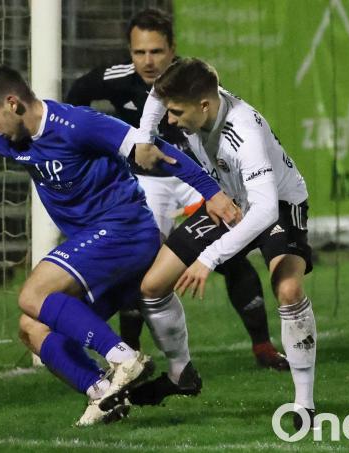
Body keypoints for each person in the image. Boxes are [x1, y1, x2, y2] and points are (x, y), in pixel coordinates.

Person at [0, 64, 240, 426]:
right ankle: (103, 395)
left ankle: (124, 358)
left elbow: (155, 150)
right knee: (31, 327)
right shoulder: (11, 139)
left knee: (33, 293)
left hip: (125, 230)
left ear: (13, 103)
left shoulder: (76, 124)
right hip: (99, 248)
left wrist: (212, 193)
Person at [65, 8, 288, 404]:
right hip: (150, 186)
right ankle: (132, 357)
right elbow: (74, 102)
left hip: (197, 180)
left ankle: (262, 346)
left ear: (173, 51)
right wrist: (117, 146)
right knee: (144, 271)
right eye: (139, 52)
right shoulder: (116, 80)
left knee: (235, 259)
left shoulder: (194, 88)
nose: (148, 61)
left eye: (156, 51)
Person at [109, 58, 318, 429]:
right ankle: (180, 375)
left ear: (204, 106)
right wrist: (145, 134)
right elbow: (159, 96)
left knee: (287, 289)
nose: (170, 121)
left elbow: (265, 210)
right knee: (152, 286)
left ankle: (304, 404)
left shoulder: (244, 133)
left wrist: (209, 257)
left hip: (278, 205)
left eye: (176, 113)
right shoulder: (195, 100)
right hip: (229, 200)